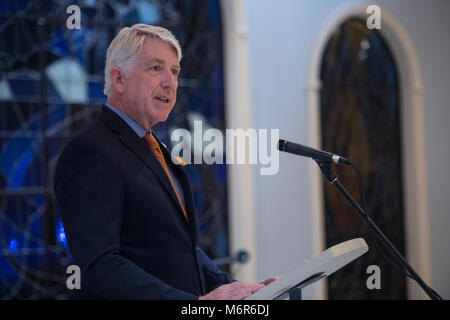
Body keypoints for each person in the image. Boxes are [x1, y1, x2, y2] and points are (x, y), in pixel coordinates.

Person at [54, 24, 273, 299]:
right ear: (119, 79)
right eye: (156, 68)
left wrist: (235, 289)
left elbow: (181, 247)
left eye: (174, 71)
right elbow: (101, 265)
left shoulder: (155, 146)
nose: (170, 83)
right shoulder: (90, 150)